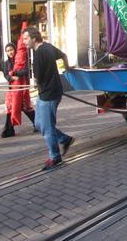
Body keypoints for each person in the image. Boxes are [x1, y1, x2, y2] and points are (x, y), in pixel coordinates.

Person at [22, 27, 75, 170]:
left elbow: (38, 78)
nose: (24, 42)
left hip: (48, 94)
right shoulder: (49, 47)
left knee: (46, 127)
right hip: (51, 92)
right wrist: (67, 68)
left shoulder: (38, 54)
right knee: (39, 124)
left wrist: (35, 85)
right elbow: (63, 55)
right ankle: (65, 139)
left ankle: (55, 157)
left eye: (26, 39)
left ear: (34, 38)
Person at [1, 42, 36, 137]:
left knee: (27, 108)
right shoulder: (6, 63)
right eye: (8, 51)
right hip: (12, 90)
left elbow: (25, 71)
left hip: (22, 88)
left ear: (15, 49)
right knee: (10, 108)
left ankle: (38, 124)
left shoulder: (20, 60)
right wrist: (11, 78)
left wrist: (15, 73)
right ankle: (9, 129)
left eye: (11, 50)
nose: (10, 52)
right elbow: (5, 74)